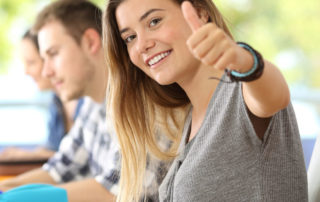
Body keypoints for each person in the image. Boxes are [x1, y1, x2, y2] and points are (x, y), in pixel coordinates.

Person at [104, 0, 308, 201]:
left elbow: (276, 96)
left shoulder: (240, 92)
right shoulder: (189, 122)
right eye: (130, 37)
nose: (142, 45)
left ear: (200, 13)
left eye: (154, 21)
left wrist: (245, 61)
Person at [0, 1, 168, 201]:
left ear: (90, 42)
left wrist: (16, 197)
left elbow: (117, 193)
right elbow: (59, 169)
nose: (46, 71)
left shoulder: (145, 104)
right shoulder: (91, 104)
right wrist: (6, 187)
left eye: (53, 54)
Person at [0, 30, 83, 162]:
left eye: (31, 62)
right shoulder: (56, 103)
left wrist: (32, 156)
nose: (26, 72)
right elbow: (56, 152)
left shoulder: (90, 101)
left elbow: (83, 159)